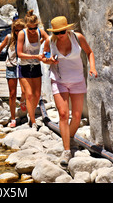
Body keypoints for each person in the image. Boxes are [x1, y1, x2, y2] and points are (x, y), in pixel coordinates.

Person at [42, 15, 98, 167]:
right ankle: (66, 150)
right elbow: (44, 56)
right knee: (63, 114)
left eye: (62, 32)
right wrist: (49, 60)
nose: (59, 35)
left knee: (77, 116)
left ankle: (70, 137)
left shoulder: (77, 37)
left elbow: (90, 52)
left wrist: (92, 67)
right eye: (57, 32)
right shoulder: (50, 41)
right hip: (58, 80)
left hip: (77, 80)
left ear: (67, 29)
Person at [16, 10, 49, 130]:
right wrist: (36, 56)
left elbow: (49, 39)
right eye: (30, 28)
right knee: (29, 94)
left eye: (35, 28)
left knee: (37, 94)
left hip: (36, 66)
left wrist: (45, 51)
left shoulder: (40, 32)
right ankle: (33, 121)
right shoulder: (22, 34)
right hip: (24, 66)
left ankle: (31, 113)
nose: (33, 30)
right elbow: (19, 53)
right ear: (26, 27)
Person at [0, 18, 26, 128]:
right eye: (16, 30)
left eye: (20, 30)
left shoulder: (26, 38)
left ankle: (22, 102)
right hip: (11, 66)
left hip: (23, 66)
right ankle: (12, 118)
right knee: (12, 94)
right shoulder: (9, 37)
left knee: (25, 91)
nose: (18, 33)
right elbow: (1, 47)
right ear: (13, 29)